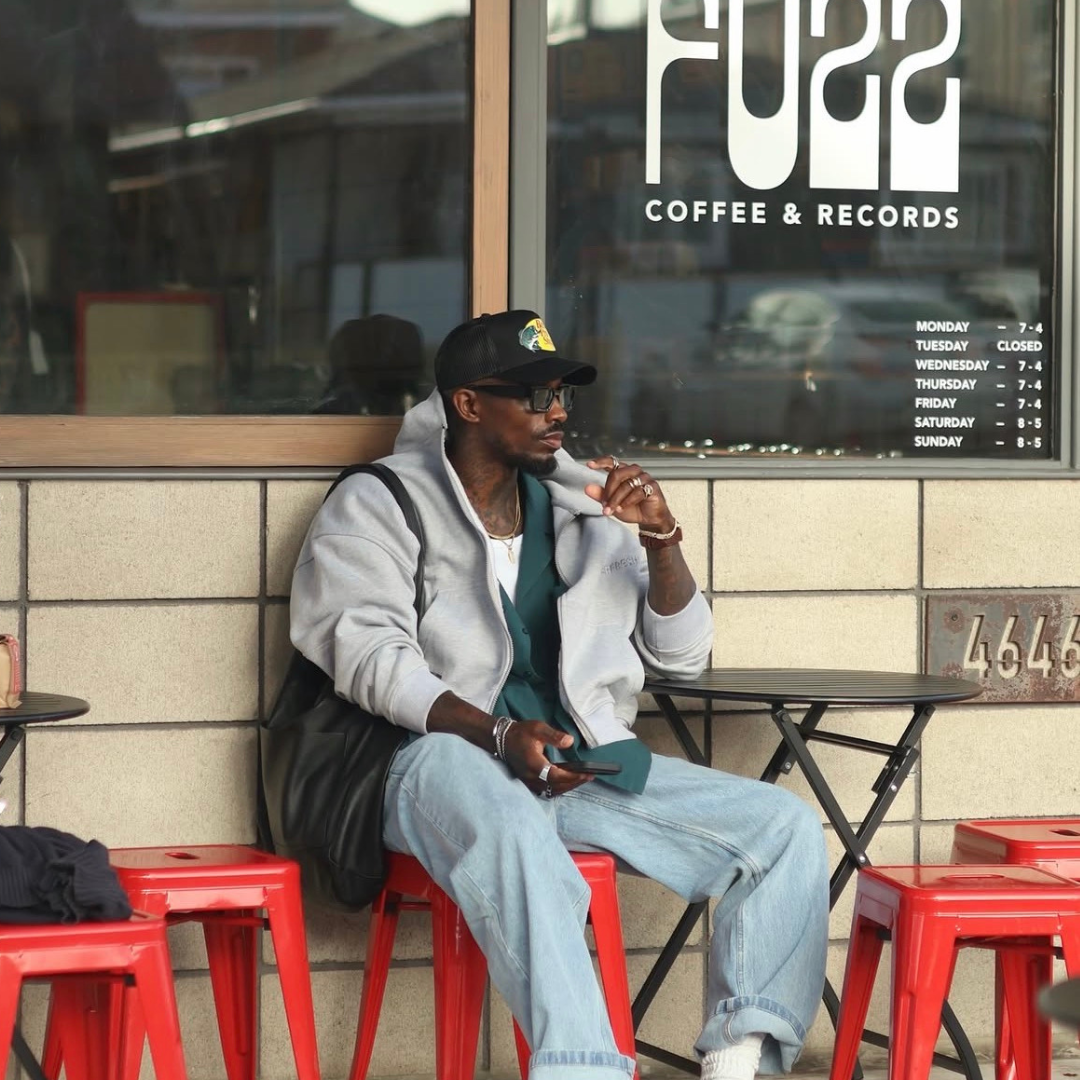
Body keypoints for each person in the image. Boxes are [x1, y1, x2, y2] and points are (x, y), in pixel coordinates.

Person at [290, 309, 829, 1080]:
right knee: (509, 818)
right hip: (431, 761)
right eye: (533, 394)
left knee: (781, 827)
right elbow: (370, 658)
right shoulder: (380, 501)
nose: (557, 413)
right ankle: (585, 1069)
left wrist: (661, 539)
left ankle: (741, 1061)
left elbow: (683, 657)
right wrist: (497, 734)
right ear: (468, 404)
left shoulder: (585, 509)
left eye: (563, 395)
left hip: (573, 765)